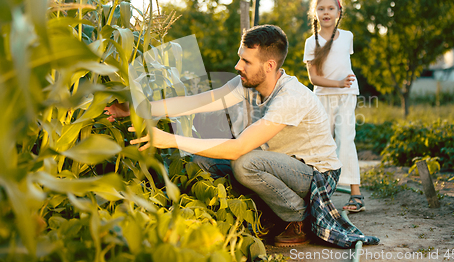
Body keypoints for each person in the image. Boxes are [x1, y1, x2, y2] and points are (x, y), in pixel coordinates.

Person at [106, 25, 378, 247]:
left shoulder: (291, 97)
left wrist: (169, 140)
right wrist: (132, 110)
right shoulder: (246, 84)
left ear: (269, 65)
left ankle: (300, 218)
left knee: (245, 163)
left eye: (246, 61)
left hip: (316, 174)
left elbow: (240, 149)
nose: (238, 65)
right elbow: (194, 102)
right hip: (280, 164)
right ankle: (270, 212)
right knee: (202, 161)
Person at [303, 0, 364, 213]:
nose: (326, 12)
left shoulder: (347, 37)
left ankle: (356, 193)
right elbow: (314, 78)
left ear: (339, 12)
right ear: (315, 13)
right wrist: (337, 83)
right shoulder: (311, 42)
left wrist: (342, 86)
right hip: (322, 96)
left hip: (347, 94)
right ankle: (322, 193)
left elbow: (343, 64)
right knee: (322, 143)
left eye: (330, 8)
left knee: (346, 139)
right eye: (321, 8)